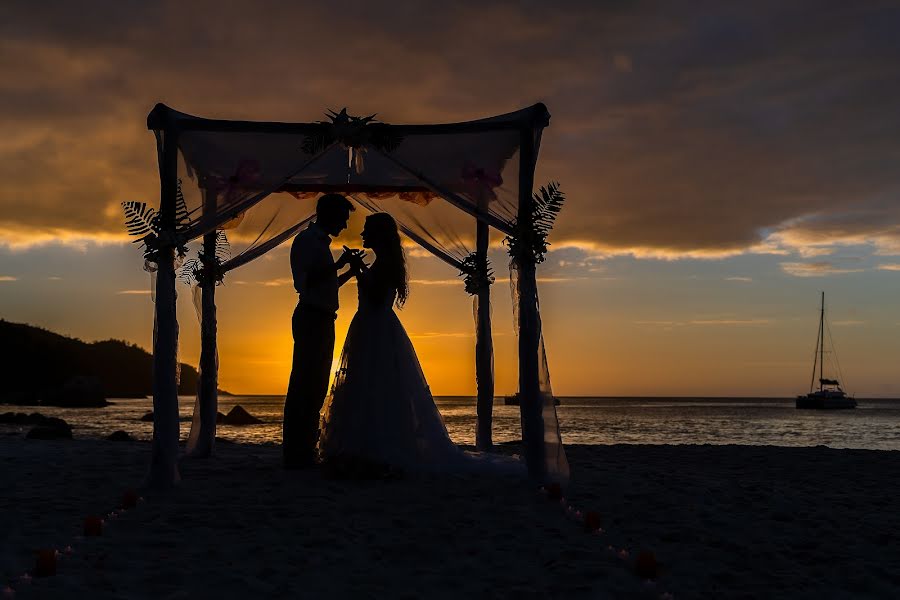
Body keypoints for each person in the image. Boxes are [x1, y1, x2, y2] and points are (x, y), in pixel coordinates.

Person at [317, 212, 523, 477]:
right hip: (369, 326)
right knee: (364, 386)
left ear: (379, 234)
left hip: (376, 328)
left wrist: (359, 271)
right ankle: (363, 450)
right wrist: (358, 271)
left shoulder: (386, 264)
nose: (363, 234)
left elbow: (379, 297)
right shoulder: (381, 263)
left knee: (376, 386)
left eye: (367, 229)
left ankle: (376, 451)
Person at [283, 193, 364, 469]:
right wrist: (337, 266)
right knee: (305, 384)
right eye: (342, 218)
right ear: (328, 214)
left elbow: (325, 284)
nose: (344, 226)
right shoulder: (307, 241)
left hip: (323, 316)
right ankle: (296, 452)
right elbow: (305, 283)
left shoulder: (318, 243)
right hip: (311, 317)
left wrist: (347, 273)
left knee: (315, 384)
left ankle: (303, 448)